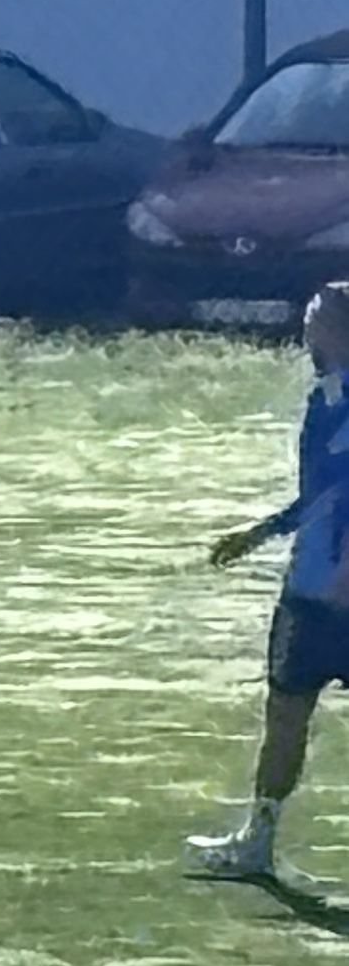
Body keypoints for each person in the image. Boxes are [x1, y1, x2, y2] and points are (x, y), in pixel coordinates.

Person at [188, 282, 349, 878]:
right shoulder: (325, 398)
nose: (307, 327)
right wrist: (260, 532)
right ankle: (258, 841)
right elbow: (319, 495)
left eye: (318, 318)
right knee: (284, 716)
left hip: (335, 594)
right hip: (307, 591)